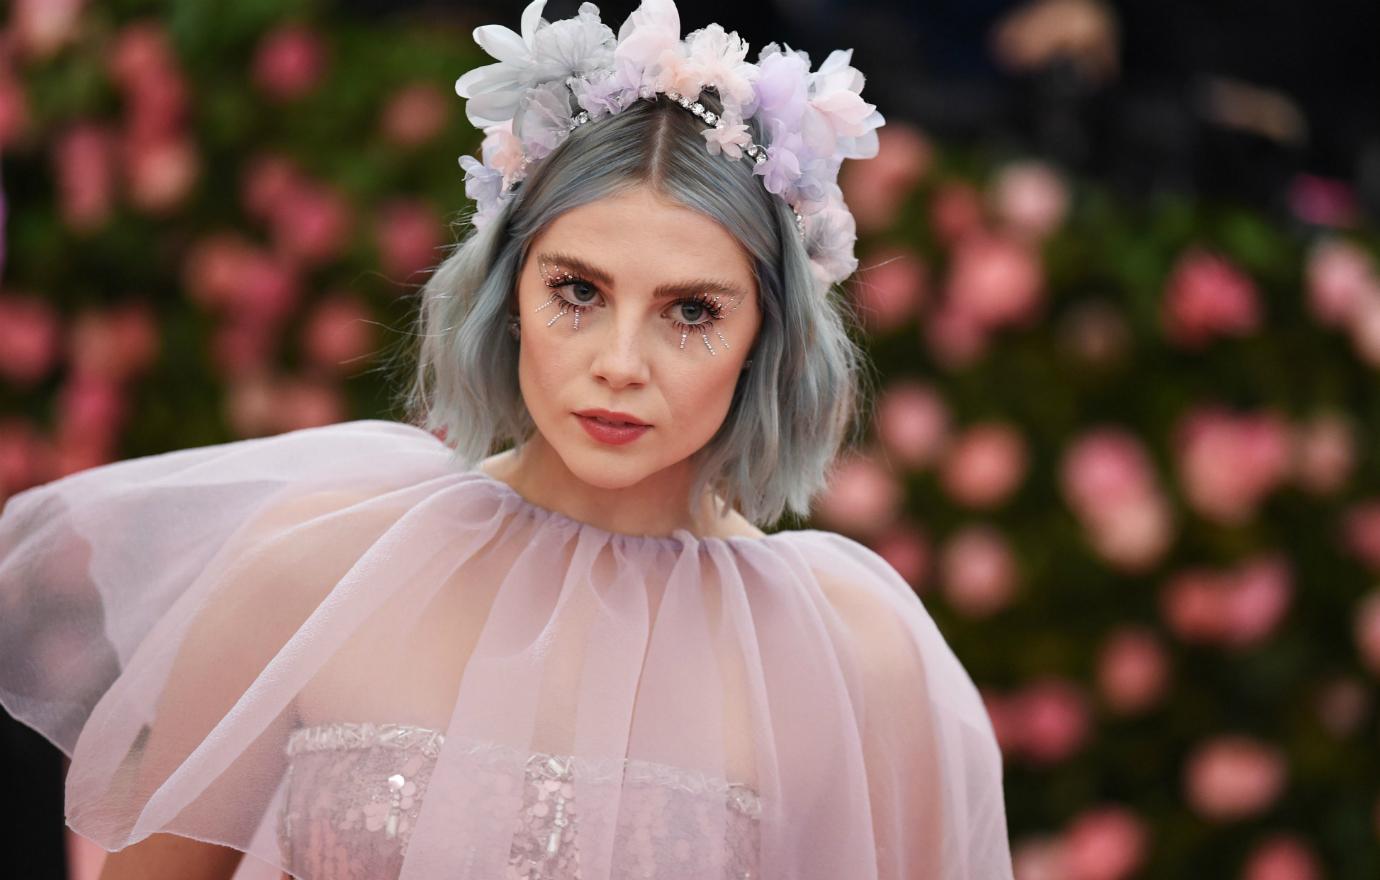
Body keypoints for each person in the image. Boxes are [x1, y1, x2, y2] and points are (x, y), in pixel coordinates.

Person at [0, 1, 1014, 877]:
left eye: (691, 311)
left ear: (765, 336)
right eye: (578, 290)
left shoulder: (853, 658)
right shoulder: (312, 573)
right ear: (509, 292)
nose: (622, 360)